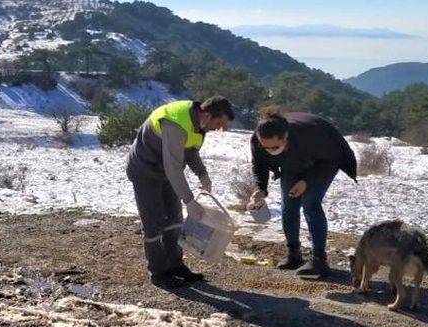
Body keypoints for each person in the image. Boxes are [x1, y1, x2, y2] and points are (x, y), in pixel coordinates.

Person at [127, 97, 234, 289]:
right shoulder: (176, 122)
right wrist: (190, 200)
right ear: (207, 114)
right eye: (218, 124)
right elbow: (173, 167)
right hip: (145, 170)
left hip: (167, 172)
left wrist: (203, 174)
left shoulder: (199, 124)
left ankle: (175, 265)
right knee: (154, 222)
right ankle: (158, 272)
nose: (217, 129)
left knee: (174, 219)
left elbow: (190, 151)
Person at [248, 107, 357, 278]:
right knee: (288, 204)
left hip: (324, 162)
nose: (270, 151)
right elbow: (259, 165)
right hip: (292, 163)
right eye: (266, 148)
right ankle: (294, 254)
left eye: (275, 146)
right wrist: (260, 189)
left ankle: (320, 260)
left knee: (311, 203)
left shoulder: (309, 135)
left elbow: (331, 158)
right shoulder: (257, 140)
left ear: (286, 137)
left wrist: (307, 181)